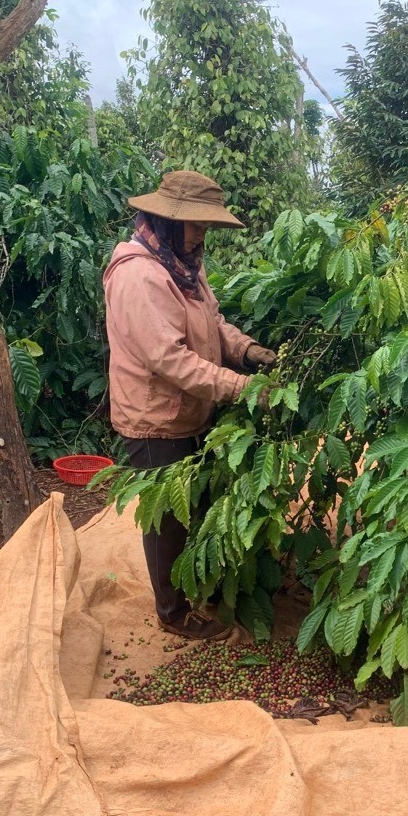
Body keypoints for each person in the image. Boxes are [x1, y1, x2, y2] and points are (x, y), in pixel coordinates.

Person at [103, 170, 278, 641]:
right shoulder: (140, 275)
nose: (202, 234)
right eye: (196, 224)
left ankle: (196, 587)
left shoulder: (184, 264)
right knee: (165, 522)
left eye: (206, 225)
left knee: (194, 507)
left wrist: (247, 350)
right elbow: (170, 360)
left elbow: (213, 322)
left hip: (189, 411)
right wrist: (241, 387)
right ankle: (172, 610)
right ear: (165, 221)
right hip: (154, 418)